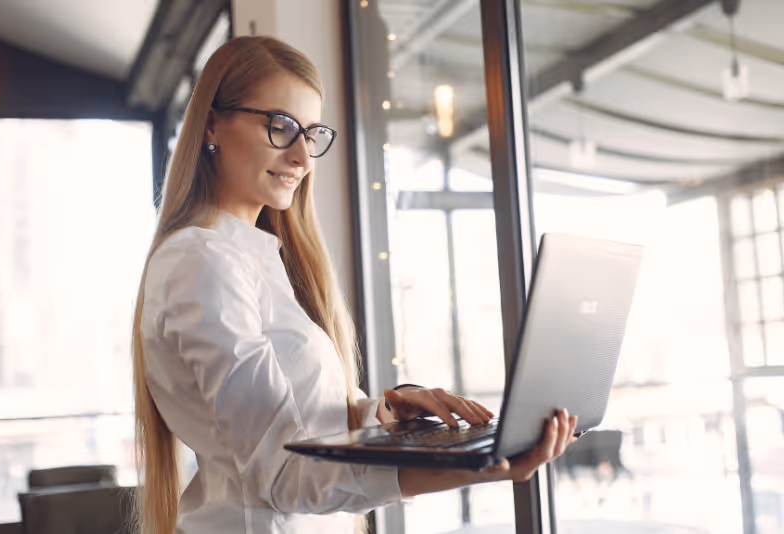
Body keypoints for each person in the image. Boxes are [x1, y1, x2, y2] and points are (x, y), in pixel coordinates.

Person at [131, 36, 577, 534]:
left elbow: (300, 435)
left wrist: (382, 413)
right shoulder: (202, 261)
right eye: (280, 127)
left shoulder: (250, 257)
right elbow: (283, 474)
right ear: (213, 122)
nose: (302, 156)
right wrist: (472, 466)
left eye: (312, 133)